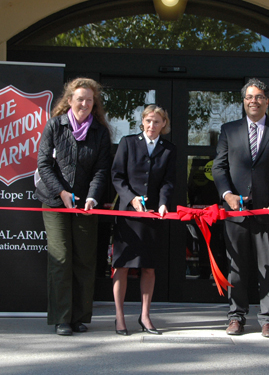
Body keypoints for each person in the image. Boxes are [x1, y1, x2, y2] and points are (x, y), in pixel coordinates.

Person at [211, 78, 269, 338]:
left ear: (267, 101)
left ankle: (268, 319)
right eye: (249, 97)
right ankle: (236, 317)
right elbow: (219, 167)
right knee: (236, 265)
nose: (254, 101)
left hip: (268, 212)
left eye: (259, 96)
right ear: (243, 100)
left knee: (267, 265)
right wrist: (227, 195)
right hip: (235, 211)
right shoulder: (229, 130)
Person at [35, 77, 111, 336]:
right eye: (80, 98)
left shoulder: (100, 132)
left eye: (90, 100)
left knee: (85, 260)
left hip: (86, 205)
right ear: (69, 101)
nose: (85, 103)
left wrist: (91, 197)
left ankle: (79, 316)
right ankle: (61, 318)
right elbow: (43, 164)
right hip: (55, 201)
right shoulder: (55, 126)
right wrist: (61, 192)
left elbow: (102, 170)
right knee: (62, 257)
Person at [111, 105, 176, 336]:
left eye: (157, 122)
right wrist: (132, 199)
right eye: (148, 120)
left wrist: (163, 202)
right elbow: (117, 177)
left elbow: (169, 181)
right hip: (128, 215)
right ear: (142, 122)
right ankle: (119, 318)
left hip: (153, 216)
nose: (152, 125)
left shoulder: (169, 149)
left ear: (163, 124)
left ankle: (145, 316)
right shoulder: (128, 143)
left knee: (149, 267)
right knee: (122, 266)